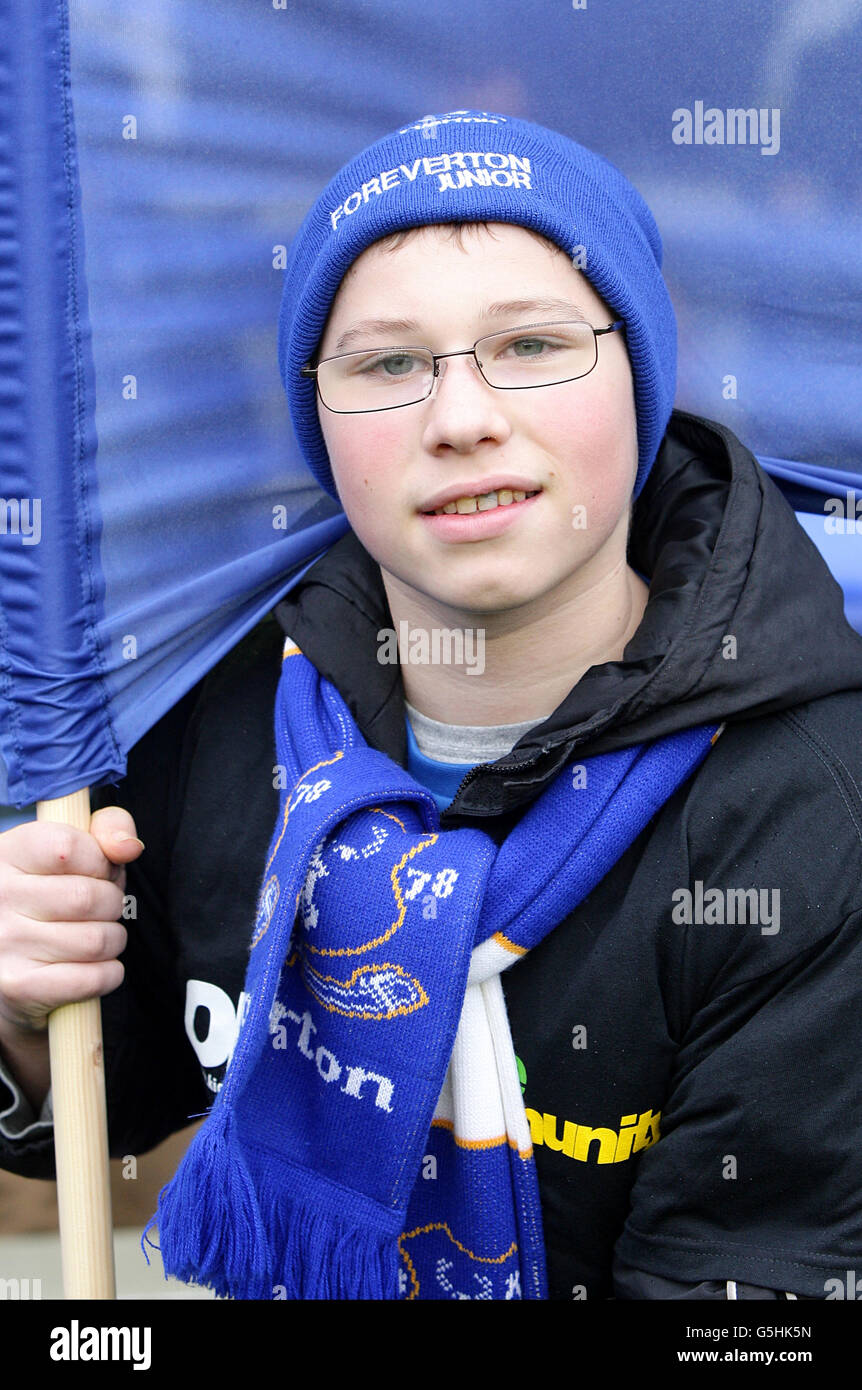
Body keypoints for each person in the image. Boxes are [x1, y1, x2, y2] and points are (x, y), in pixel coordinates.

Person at [1, 109, 862, 1301]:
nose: (460, 419)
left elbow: (757, 1301)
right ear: (316, 415)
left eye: (532, 345)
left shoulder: (812, 806)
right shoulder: (204, 720)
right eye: (388, 365)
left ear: (643, 374)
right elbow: (100, 1098)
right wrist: (22, 1012)